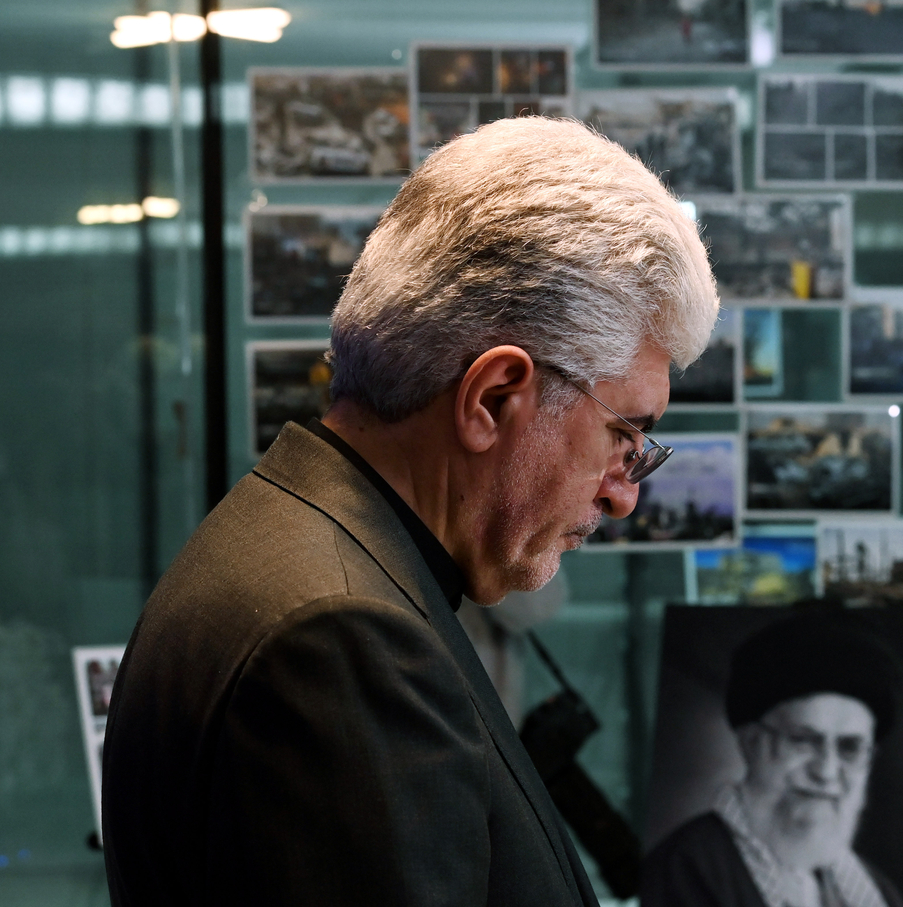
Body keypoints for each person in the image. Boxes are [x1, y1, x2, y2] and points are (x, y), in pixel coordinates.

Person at [101, 117, 718, 907]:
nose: (623, 492)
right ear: (493, 397)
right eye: (624, 434)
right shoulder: (340, 638)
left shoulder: (309, 554)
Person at [642, 614, 903, 907]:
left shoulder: (876, 891)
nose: (826, 772)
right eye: (802, 741)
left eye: (850, 748)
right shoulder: (685, 869)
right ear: (751, 743)